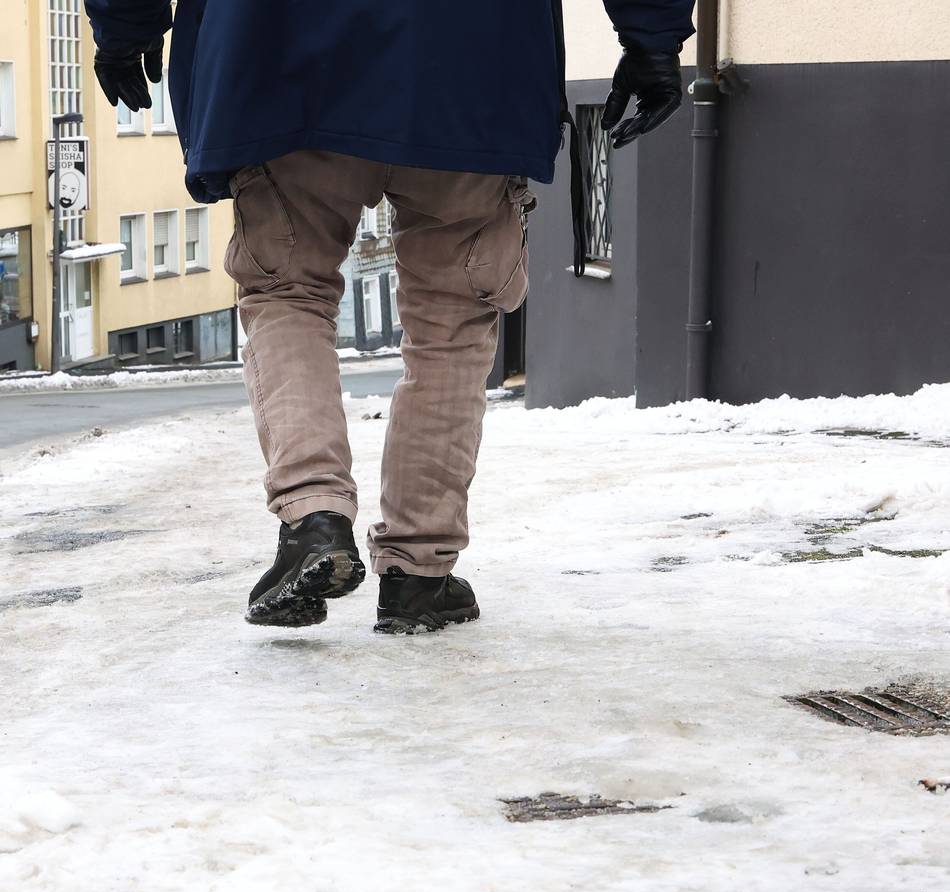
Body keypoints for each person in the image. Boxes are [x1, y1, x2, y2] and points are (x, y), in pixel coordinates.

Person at [84, 0, 695, 634]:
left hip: (279, 56)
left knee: (287, 291)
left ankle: (314, 518)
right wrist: (652, 39)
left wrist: (125, 30)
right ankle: (419, 573)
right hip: (476, 63)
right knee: (453, 321)